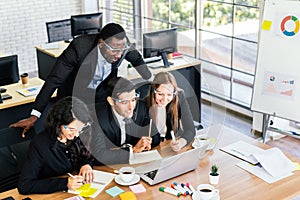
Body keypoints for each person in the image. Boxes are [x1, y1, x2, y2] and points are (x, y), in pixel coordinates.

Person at [10, 23, 152, 137]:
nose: (119, 55)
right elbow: (54, 80)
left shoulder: (121, 45)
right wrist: (35, 115)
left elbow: (137, 60)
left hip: (101, 93)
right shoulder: (80, 48)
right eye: (114, 50)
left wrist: (153, 81)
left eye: (122, 50)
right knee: (74, 132)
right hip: (74, 94)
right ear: (101, 43)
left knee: (101, 131)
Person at [18, 96, 94, 194]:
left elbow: (83, 156)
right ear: (58, 124)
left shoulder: (79, 133)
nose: (76, 134)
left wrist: (85, 165)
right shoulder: (40, 144)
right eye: (71, 129)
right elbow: (24, 185)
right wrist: (64, 183)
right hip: (51, 193)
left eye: (80, 129)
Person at [90, 77, 160, 165]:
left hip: (134, 165)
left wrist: (145, 143)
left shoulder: (141, 107)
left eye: (133, 100)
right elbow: (98, 155)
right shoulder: (97, 117)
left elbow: (155, 138)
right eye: (124, 102)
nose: (131, 107)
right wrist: (133, 150)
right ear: (111, 101)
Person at [146, 71, 195, 152]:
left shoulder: (179, 97)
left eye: (169, 95)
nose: (164, 99)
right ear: (154, 91)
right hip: (153, 149)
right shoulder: (144, 103)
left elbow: (190, 129)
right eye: (160, 94)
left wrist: (182, 142)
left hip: (172, 146)